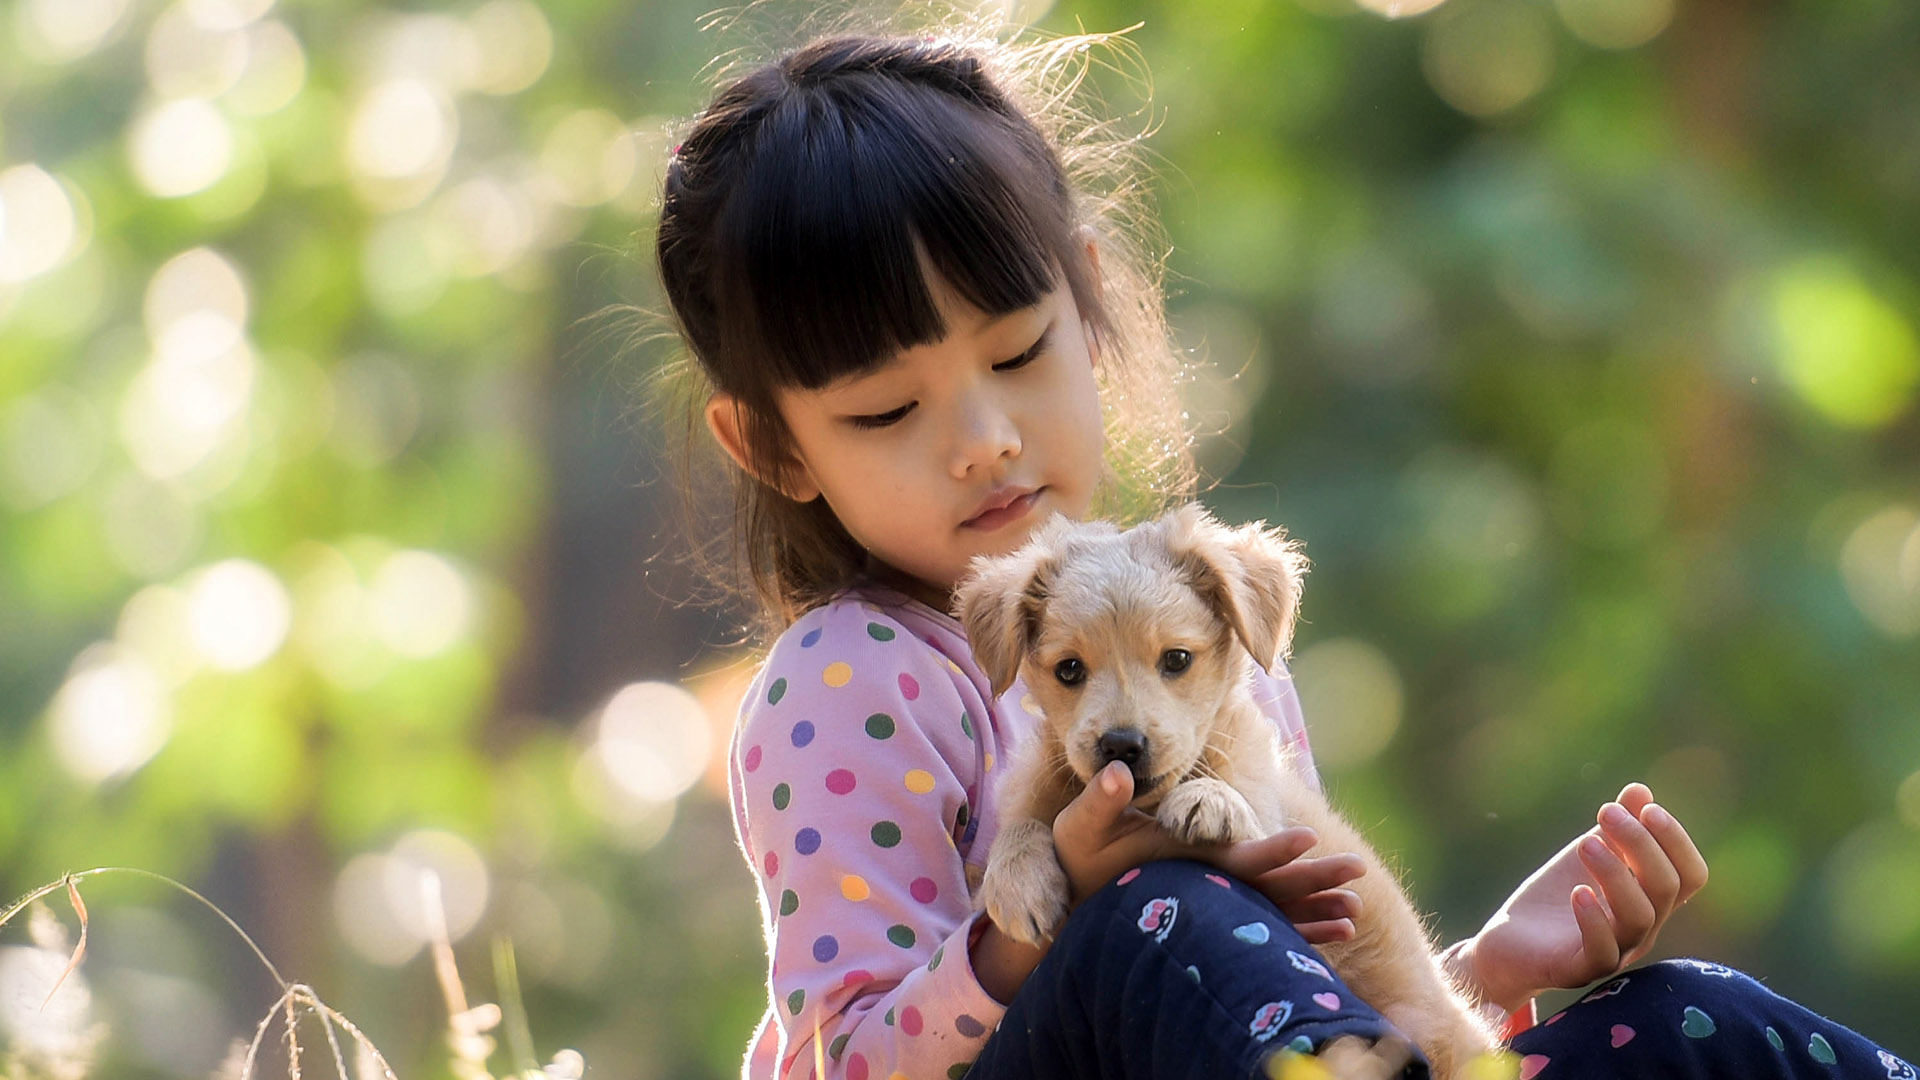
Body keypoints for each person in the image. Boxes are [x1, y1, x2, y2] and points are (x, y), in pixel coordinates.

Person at [650, 24, 1911, 1080]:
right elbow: (839, 1055)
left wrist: (1478, 978)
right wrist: (1044, 921)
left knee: (1685, 1022)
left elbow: (1268, 1008)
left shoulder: (1203, 630)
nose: (981, 439)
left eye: (1019, 352)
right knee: (1160, 914)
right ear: (776, 449)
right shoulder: (845, 682)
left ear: (1088, 304)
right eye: (887, 410)